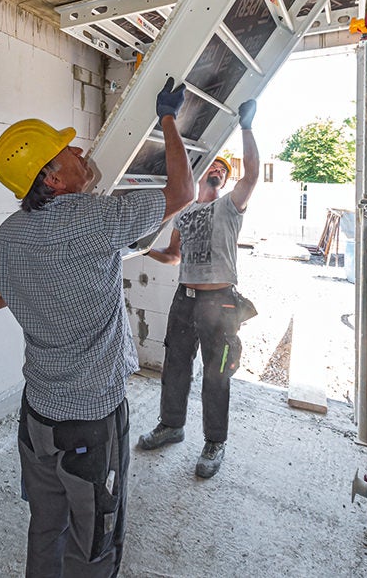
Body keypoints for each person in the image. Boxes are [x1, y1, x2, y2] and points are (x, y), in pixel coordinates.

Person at [0, 78, 194, 578]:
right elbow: (184, 192)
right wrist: (168, 119)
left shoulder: (9, 234)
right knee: (94, 540)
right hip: (91, 422)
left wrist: (33, 279)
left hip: (37, 417)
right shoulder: (95, 219)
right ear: (52, 178)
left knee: (45, 524)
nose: (78, 150)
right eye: (65, 149)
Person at [137, 99, 259, 479]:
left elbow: (252, 175)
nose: (218, 172)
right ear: (202, 172)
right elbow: (174, 256)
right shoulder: (184, 212)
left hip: (219, 303)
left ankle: (214, 442)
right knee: (175, 366)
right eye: (214, 167)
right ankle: (171, 425)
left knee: (216, 374)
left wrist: (246, 127)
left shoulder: (231, 206)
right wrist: (143, 250)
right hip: (184, 299)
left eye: (224, 170)